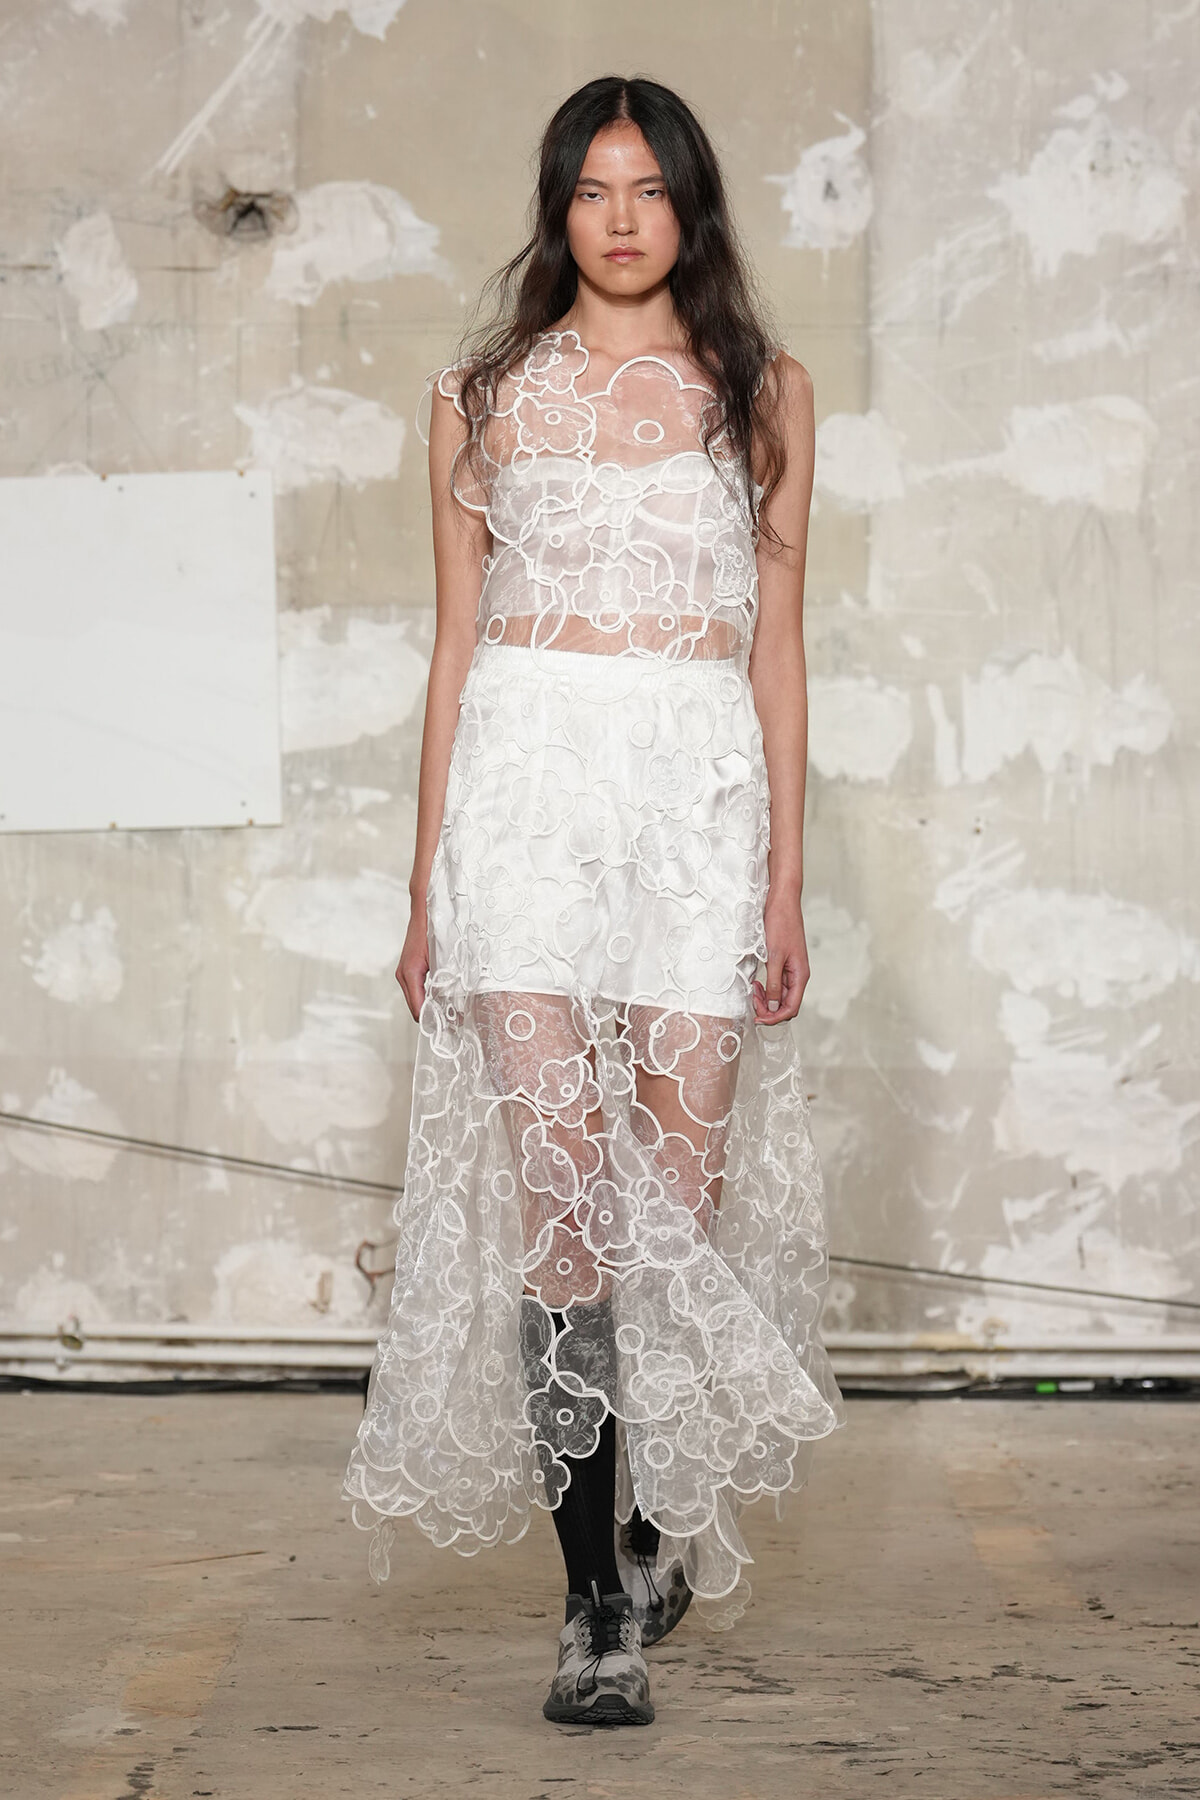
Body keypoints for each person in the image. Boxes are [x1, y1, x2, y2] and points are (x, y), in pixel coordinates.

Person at [342, 72, 845, 1729]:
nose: (622, 220)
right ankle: (591, 1614)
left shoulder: (763, 392)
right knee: (569, 1211)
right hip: (529, 799)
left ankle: (646, 1519)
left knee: (667, 1212)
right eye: (591, 191)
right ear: (556, 208)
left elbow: (777, 645)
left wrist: (781, 876)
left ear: (689, 209)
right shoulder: (482, 394)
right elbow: (453, 644)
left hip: (694, 798)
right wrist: (429, 885)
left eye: (651, 190)